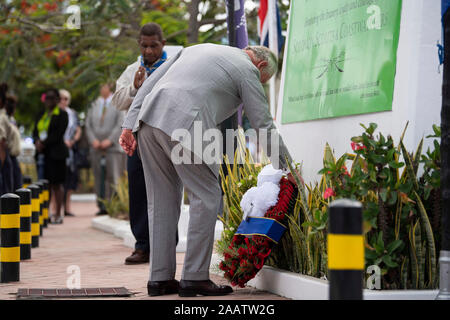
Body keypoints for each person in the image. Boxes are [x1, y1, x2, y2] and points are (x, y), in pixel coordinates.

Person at [119, 44, 293, 297]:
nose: (259, 82)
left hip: (148, 122)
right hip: (186, 123)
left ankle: (160, 279)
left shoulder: (197, 49)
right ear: (261, 66)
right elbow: (262, 122)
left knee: (162, 202)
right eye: (263, 80)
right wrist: (286, 167)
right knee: (207, 195)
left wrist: (128, 124)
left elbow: (150, 82)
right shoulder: (248, 69)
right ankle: (194, 278)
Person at [112, 23, 167, 265]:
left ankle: (165, 246)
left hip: (165, 138)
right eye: (144, 46)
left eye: (153, 45)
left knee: (167, 192)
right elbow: (116, 100)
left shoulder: (172, 67)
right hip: (136, 140)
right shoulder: (133, 69)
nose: (148, 51)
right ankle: (142, 246)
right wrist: (135, 87)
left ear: (162, 44)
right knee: (138, 192)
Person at [85, 83, 126, 216]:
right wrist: (93, 140)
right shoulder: (94, 104)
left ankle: (113, 205)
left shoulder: (117, 103)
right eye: (100, 86)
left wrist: (110, 140)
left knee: (113, 177)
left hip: (113, 147)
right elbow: (88, 125)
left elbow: (120, 123)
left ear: (110, 88)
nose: (102, 89)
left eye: (105, 86)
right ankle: (101, 205)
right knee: (98, 177)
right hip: (96, 148)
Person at [33, 88, 69, 224]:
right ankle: (44, 214)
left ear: (57, 100)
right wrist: (37, 141)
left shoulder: (62, 114)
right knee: (44, 185)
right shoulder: (40, 114)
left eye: (52, 98)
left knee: (57, 184)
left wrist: (44, 143)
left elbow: (58, 134)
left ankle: (58, 213)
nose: (48, 101)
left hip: (57, 154)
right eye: (46, 98)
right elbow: (35, 131)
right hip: (43, 155)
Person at [59, 89, 82, 217]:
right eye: (61, 98)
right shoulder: (54, 113)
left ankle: (67, 207)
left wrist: (72, 141)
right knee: (58, 181)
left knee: (70, 179)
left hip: (70, 150)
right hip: (58, 149)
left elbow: (78, 129)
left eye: (65, 99)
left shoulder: (72, 113)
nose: (63, 101)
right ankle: (55, 209)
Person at [0, 83, 22, 194]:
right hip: (5, 157)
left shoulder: (9, 119)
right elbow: (2, 142)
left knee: (13, 190)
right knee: (7, 193)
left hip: (10, 157)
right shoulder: (2, 117)